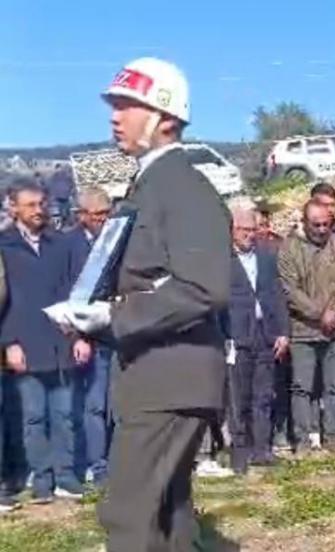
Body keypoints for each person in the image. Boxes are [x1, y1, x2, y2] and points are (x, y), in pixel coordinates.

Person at [62, 57, 232, 550]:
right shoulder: (152, 184)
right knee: (167, 518)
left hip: (170, 379)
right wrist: (93, 314)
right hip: (157, 375)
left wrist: (115, 315)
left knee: (129, 514)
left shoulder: (183, 186)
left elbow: (203, 287)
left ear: (165, 117)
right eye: (114, 106)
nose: (115, 116)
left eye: (127, 105)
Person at [0, 179, 91, 505]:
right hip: (24, 344)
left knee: (65, 414)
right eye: (31, 205)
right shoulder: (4, 246)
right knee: (33, 417)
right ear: (13, 208)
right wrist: (9, 343)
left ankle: (65, 476)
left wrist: (80, 335)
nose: (39, 210)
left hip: (61, 342)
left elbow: (74, 291)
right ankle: (41, 480)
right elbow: (4, 301)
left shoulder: (60, 244)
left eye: (41, 203)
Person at [278, 200, 335, 453]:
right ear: (305, 222)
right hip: (304, 330)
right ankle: (302, 440)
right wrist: (319, 314)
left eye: (327, 224)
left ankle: (332, 435)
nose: (322, 229)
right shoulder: (289, 249)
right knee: (302, 388)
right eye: (316, 225)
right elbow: (290, 290)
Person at [224, 207, 290, 474]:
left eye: (252, 230)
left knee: (263, 395)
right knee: (239, 399)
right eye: (243, 230)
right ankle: (240, 453)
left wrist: (283, 332)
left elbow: (277, 294)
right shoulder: (222, 260)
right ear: (232, 231)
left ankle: (262, 450)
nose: (249, 235)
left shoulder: (266, 257)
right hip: (237, 336)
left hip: (265, 335)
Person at [66, 186, 114, 486]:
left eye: (106, 213)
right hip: (86, 335)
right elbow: (64, 291)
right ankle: (96, 466)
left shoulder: (117, 240)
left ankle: (117, 461)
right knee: (92, 405)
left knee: (115, 405)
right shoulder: (68, 244)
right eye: (96, 214)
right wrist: (76, 335)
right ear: (81, 215)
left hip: (116, 332)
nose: (101, 219)